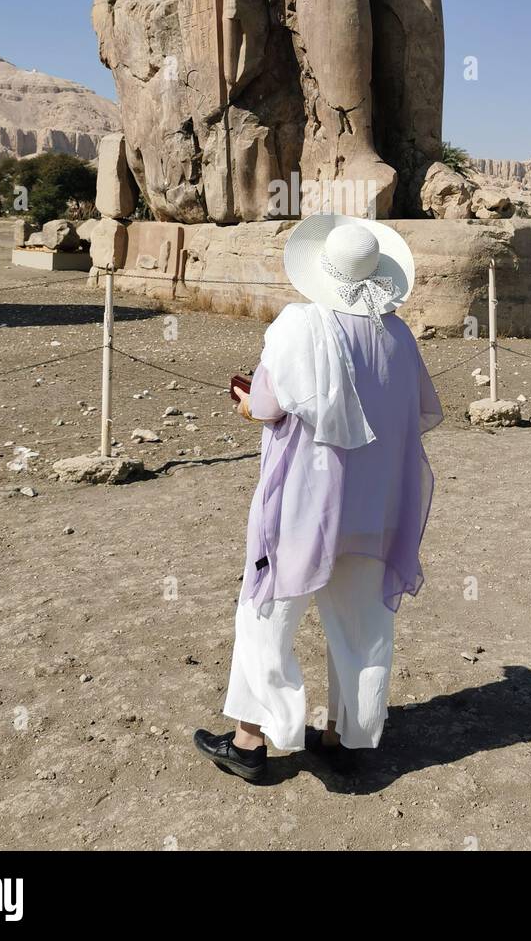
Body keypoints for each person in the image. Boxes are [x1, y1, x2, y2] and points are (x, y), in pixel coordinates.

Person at [193, 213, 443, 782]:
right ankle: (346, 736)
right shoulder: (397, 333)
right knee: (362, 621)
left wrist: (246, 404)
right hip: (376, 503)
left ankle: (251, 740)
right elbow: (418, 413)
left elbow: (267, 404)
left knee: (268, 612)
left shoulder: (300, 324)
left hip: (308, 501)